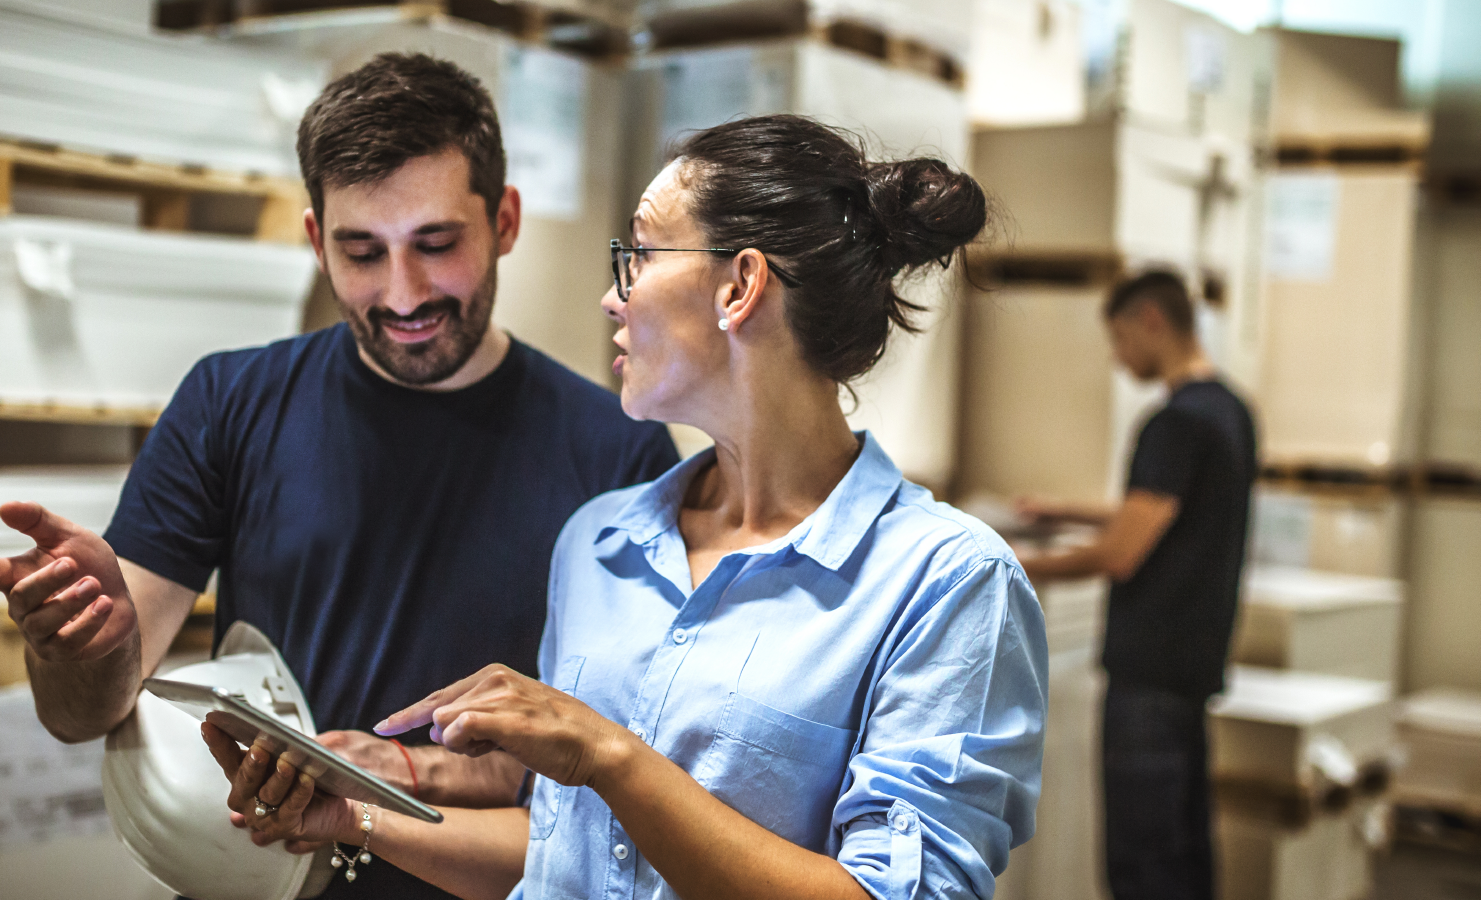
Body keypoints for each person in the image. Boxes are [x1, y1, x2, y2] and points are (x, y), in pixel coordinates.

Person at [205, 114, 1048, 900]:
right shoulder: (599, 542)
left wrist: (610, 755)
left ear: (739, 286)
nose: (615, 297)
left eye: (638, 256)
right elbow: (555, 842)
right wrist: (354, 817)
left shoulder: (948, 583)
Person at [0, 53, 679, 900]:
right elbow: (80, 714)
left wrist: (415, 770)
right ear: (315, 241)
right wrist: (91, 645)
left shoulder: (616, 456)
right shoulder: (228, 403)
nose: (403, 293)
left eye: (437, 244)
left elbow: (619, 782)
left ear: (505, 221)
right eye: (361, 251)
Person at [1016, 270, 1257, 900]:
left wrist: (1012, 561)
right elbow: (1173, 513)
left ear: (1150, 319)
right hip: (1191, 673)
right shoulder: (1230, 411)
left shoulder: (1174, 422)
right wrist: (1062, 511)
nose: (1118, 360)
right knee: (1184, 859)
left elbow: (1124, 552)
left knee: (1142, 866)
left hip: (1147, 678)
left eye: (1119, 339)